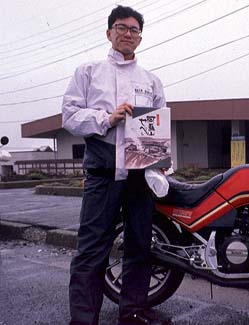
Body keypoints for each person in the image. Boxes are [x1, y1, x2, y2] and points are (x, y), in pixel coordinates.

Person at [62, 5, 166, 325]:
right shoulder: (88, 71)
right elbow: (69, 116)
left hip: (140, 170)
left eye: (134, 30)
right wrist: (107, 118)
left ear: (140, 38)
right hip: (103, 168)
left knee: (139, 244)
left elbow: (158, 125)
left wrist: (159, 166)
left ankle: (132, 311)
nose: (127, 34)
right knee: (92, 248)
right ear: (109, 33)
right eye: (121, 27)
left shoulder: (151, 81)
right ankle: (83, 319)